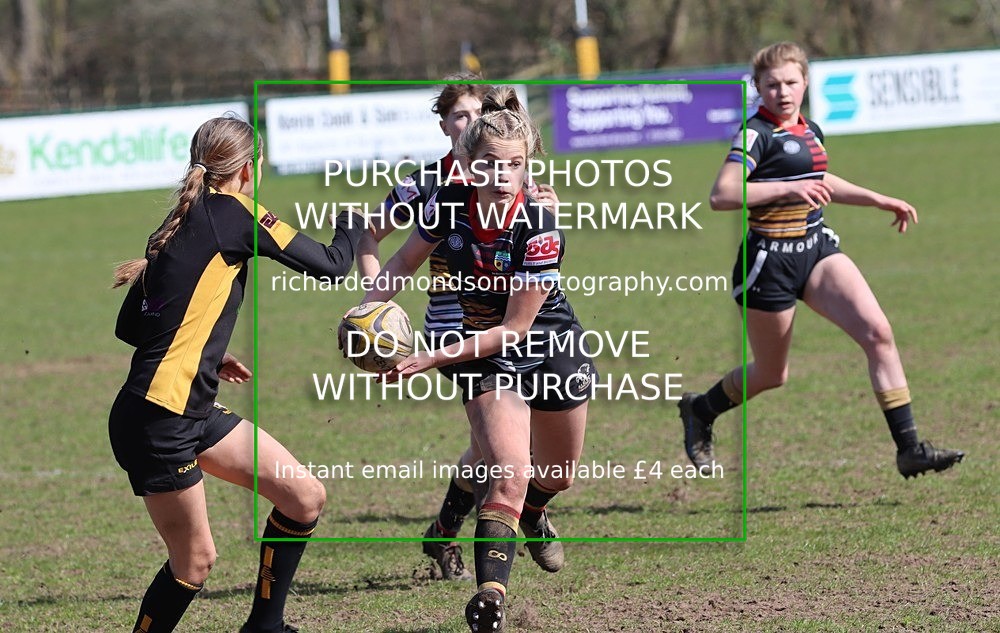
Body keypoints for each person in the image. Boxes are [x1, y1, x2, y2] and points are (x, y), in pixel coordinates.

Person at [109, 114, 367, 633]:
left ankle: (264, 627)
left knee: (304, 497)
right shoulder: (237, 212)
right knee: (195, 561)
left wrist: (206, 351)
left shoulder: (178, 221)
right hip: (161, 419)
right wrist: (354, 225)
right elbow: (332, 264)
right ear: (249, 168)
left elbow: (131, 325)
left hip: (186, 407)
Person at [360, 86, 593, 633]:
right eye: (490, 163)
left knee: (557, 474)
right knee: (507, 475)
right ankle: (491, 598)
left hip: (546, 337)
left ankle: (533, 514)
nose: (502, 174)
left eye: (514, 165)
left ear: (527, 166)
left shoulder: (539, 225)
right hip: (474, 347)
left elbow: (518, 328)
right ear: (468, 161)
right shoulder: (444, 202)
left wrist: (427, 357)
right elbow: (399, 260)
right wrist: (368, 312)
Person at [680, 42, 964, 480]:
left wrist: (877, 199)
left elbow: (818, 178)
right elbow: (723, 195)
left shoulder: (810, 129)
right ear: (757, 88)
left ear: (805, 82)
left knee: (879, 334)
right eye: (771, 85)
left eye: (791, 82)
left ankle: (909, 449)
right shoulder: (756, 134)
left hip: (815, 249)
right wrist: (786, 189)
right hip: (768, 264)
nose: (783, 92)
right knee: (773, 374)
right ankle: (701, 409)